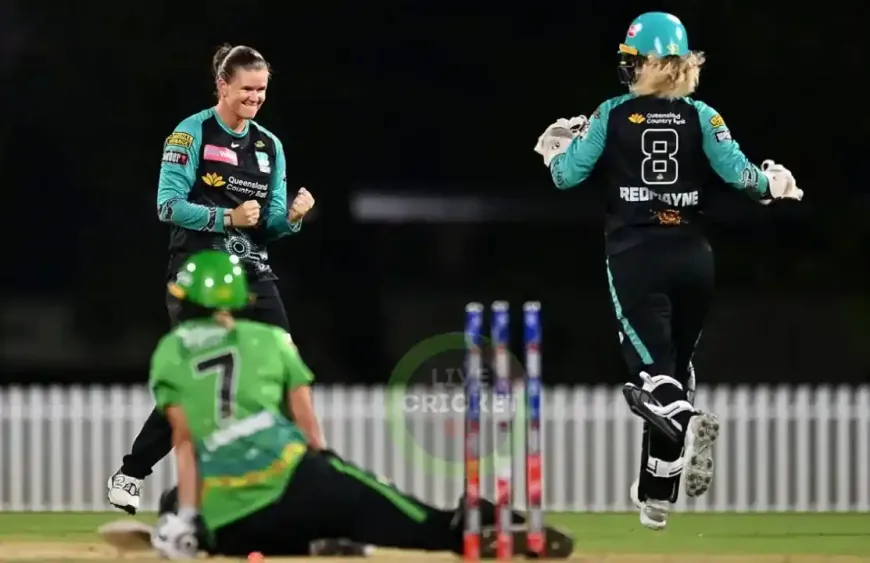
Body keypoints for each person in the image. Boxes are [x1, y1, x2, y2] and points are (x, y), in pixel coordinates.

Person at [534, 12, 803, 530]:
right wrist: (776, 183)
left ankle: (689, 420)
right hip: (694, 258)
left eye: (634, 59)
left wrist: (553, 151)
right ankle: (657, 495)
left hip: (637, 256)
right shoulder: (704, 116)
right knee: (675, 374)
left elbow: (567, 177)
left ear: (655, 63)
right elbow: (745, 178)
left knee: (650, 380)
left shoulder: (612, 114)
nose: (629, 67)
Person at [145, 250, 573, 559]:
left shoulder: (169, 352)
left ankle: (301, 542)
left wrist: (188, 515)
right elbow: (303, 412)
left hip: (228, 515)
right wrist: (322, 459)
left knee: (236, 530)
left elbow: (184, 441)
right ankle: (460, 529)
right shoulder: (268, 339)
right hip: (292, 476)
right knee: (382, 505)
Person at [107, 43, 316, 514]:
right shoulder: (190, 133)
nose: (255, 98)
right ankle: (132, 473)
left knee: (283, 368)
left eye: (261, 90)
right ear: (222, 85)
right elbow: (167, 205)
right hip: (199, 268)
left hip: (253, 270)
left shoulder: (269, 145)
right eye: (246, 89)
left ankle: (285, 486)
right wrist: (227, 219)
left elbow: (271, 223)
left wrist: (296, 217)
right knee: (200, 372)